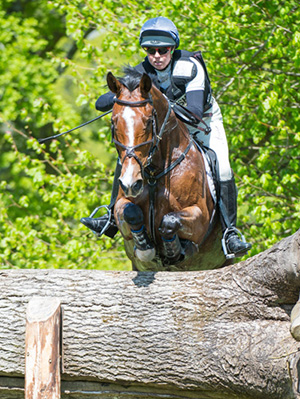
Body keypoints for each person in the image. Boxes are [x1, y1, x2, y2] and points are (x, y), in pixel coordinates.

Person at [81, 17, 251, 259]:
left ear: (173, 49)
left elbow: (193, 113)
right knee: (129, 156)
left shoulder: (190, 67)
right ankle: (110, 216)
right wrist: (121, 96)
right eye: (150, 50)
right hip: (165, 128)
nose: (157, 56)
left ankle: (230, 233)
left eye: (163, 50)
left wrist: (159, 102)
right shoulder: (142, 72)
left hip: (202, 123)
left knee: (222, 167)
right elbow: (101, 103)